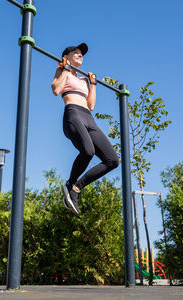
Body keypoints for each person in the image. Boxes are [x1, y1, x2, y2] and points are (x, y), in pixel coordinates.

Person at [51, 42, 119, 215]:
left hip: (89, 118)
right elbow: (56, 90)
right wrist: (65, 69)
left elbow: (91, 105)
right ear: (67, 57)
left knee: (112, 160)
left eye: (82, 53)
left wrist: (93, 84)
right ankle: (69, 184)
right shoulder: (62, 71)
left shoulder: (83, 79)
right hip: (73, 114)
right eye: (76, 52)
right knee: (88, 151)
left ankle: (76, 188)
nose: (80, 55)